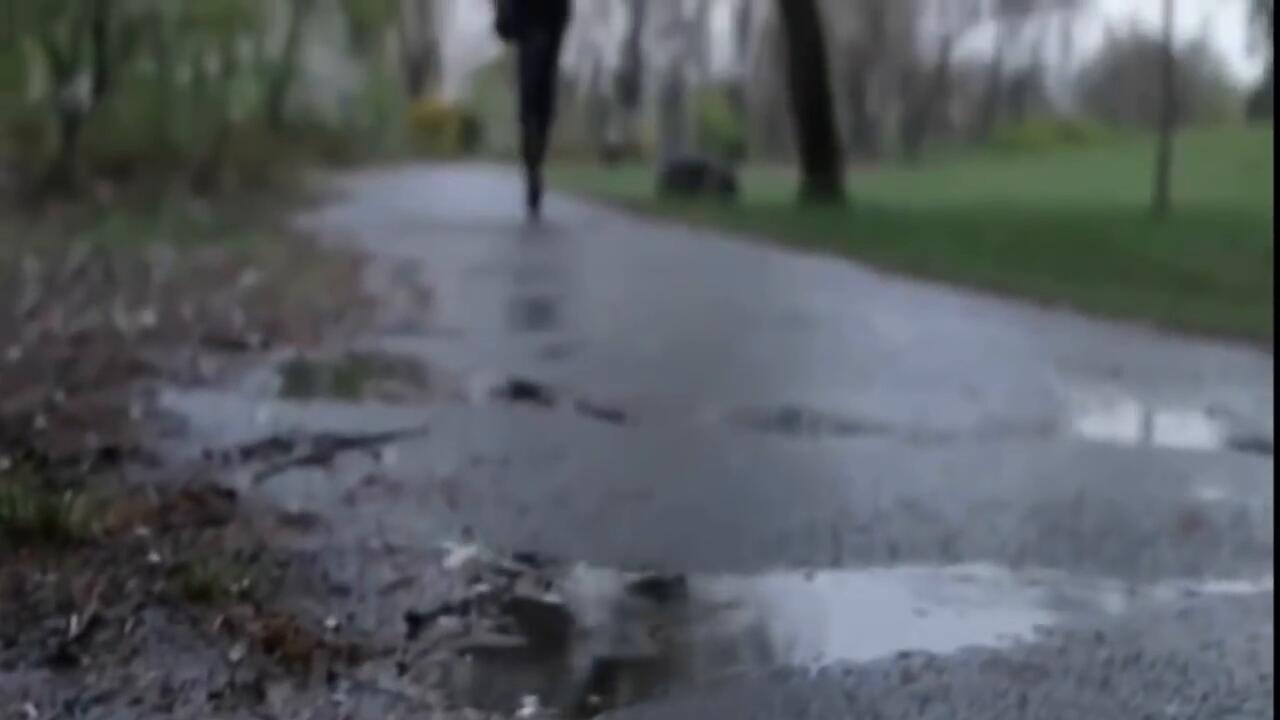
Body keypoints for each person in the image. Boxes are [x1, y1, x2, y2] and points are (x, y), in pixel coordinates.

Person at [494, 0, 571, 220]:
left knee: (539, 106)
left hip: (545, 27)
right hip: (532, 27)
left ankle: (534, 164)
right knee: (533, 103)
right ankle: (533, 165)